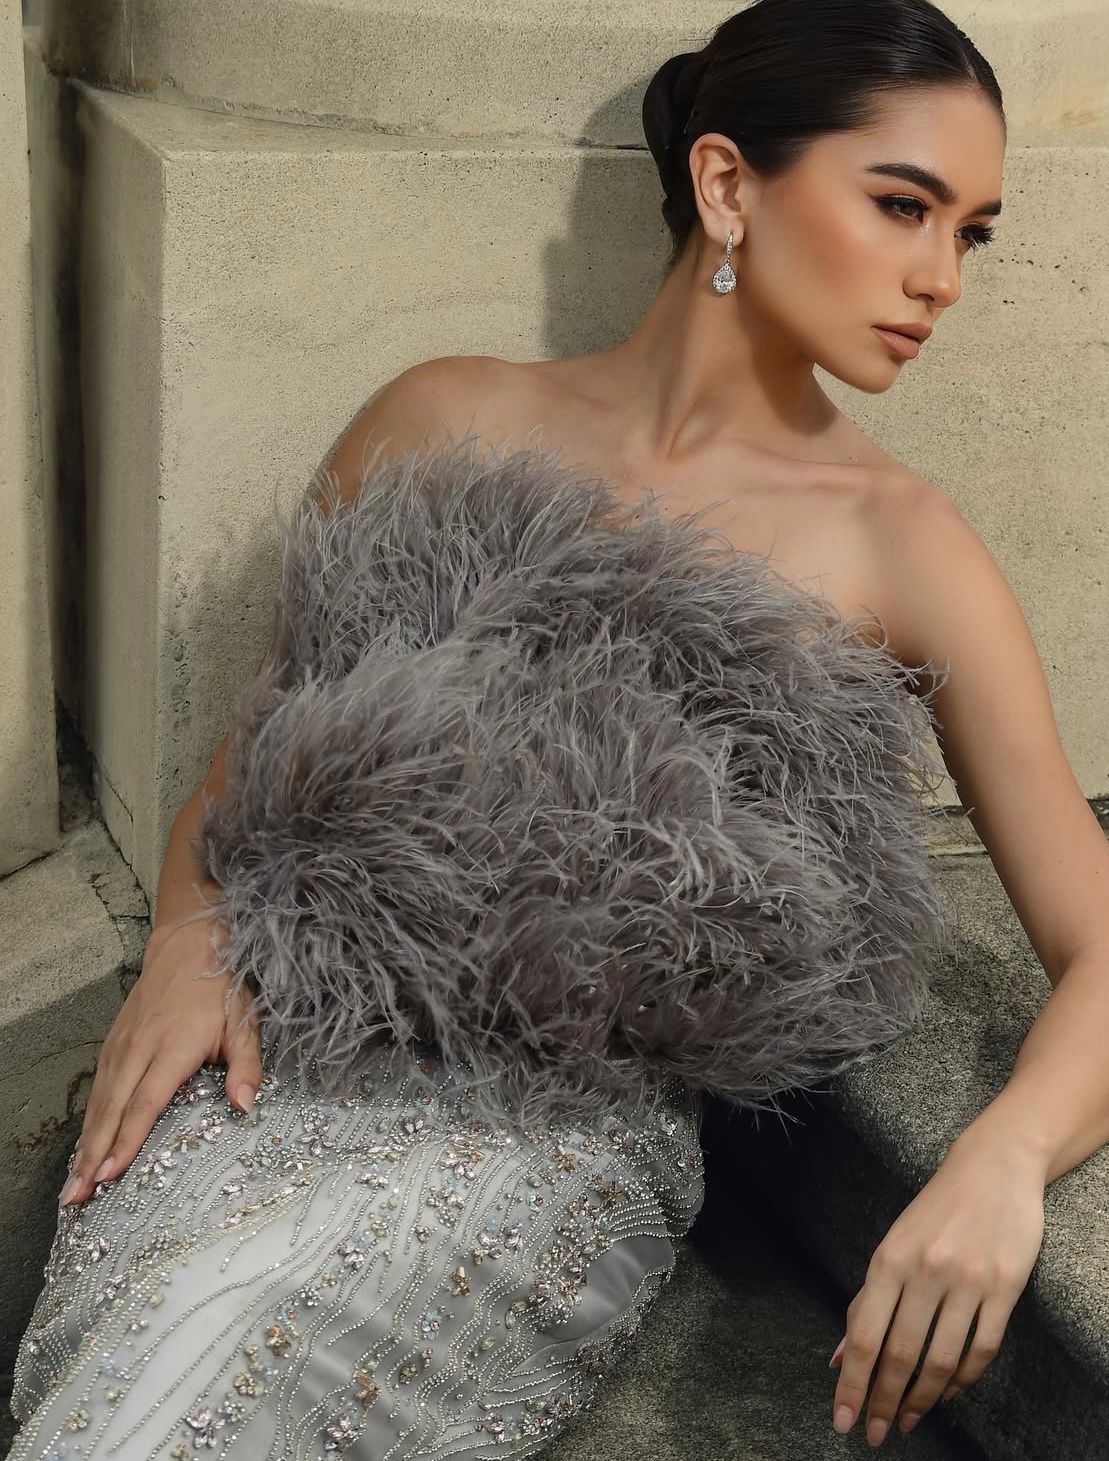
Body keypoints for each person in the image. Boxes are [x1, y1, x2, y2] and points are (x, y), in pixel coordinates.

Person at [9, 0, 1041, 1454]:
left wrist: (1001, 1161)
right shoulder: (440, 415)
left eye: (971, 233)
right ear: (727, 183)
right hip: (273, 1052)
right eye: (903, 206)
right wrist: (189, 932)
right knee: (130, 1371)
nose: (942, 279)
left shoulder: (906, 548)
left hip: (544, 1139)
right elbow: (253, 766)